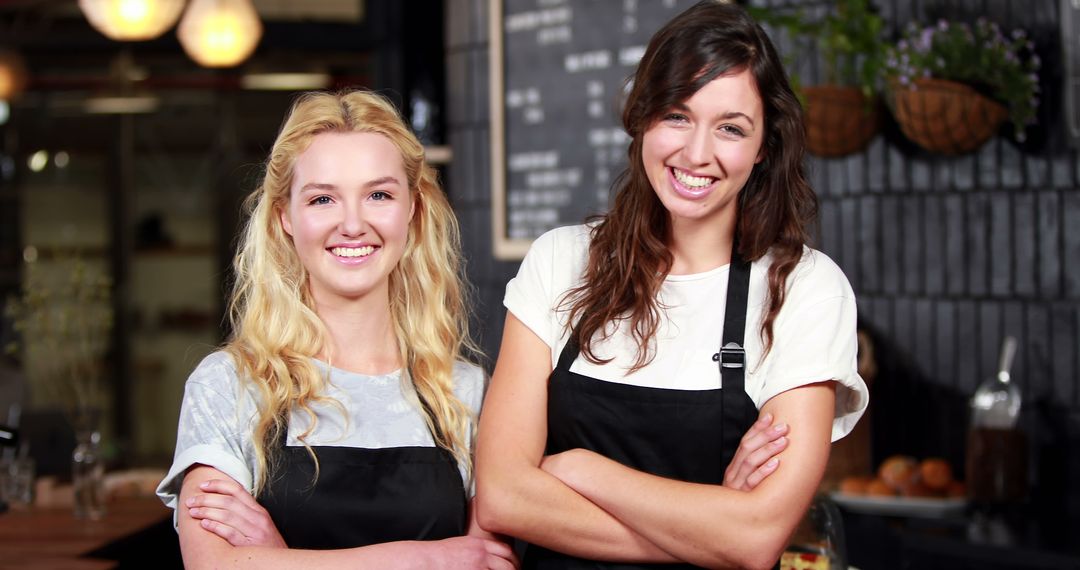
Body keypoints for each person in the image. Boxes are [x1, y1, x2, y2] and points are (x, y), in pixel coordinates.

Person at [474, 2, 869, 569]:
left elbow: (757, 540)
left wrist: (580, 469)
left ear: (763, 149)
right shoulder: (560, 262)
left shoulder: (805, 289)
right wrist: (711, 529)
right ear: (642, 120)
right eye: (677, 116)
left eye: (731, 128)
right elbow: (503, 496)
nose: (697, 153)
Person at [156, 90, 516, 569]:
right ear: (285, 215)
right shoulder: (228, 385)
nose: (352, 224)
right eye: (323, 198)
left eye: (379, 195)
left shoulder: (463, 391)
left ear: (413, 210)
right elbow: (214, 564)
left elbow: (487, 563)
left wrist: (278, 556)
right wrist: (422, 560)